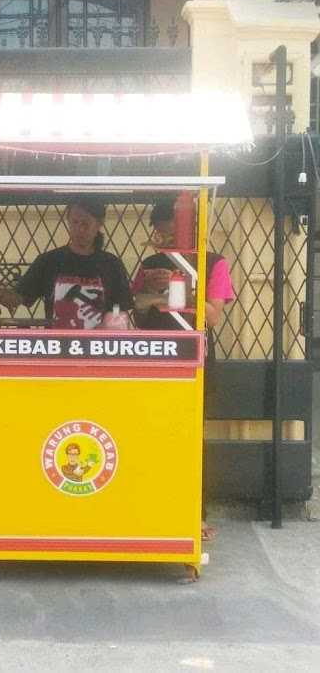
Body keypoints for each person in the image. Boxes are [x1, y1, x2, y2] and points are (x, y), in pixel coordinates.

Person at [131, 196, 235, 541]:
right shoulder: (149, 263)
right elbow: (136, 311)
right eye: (160, 234)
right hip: (154, 358)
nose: (165, 240)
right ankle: (150, 507)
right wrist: (153, 291)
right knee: (150, 434)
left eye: (171, 232)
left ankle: (195, 513)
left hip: (195, 361)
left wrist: (179, 287)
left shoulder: (214, 263)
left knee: (192, 439)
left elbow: (212, 315)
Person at [0, 199, 132, 328]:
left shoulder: (112, 265)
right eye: (75, 222)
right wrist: (3, 296)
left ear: (99, 224)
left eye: (86, 224)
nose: (80, 229)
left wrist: (110, 324)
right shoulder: (48, 261)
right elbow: (22, 296)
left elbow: (120, 307)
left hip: (98, 348)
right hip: (57, 347)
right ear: (68, 221)